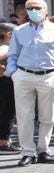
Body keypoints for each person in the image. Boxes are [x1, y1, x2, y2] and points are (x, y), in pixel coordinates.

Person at [4, 0, 54, 166]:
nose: (34, 10)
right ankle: (28, 152)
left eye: (37, 7)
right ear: (26, 11)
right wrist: (13, 73)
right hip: (24, 76)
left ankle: (43, 150)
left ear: (46, 10)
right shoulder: (19, 31)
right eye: (30, 8)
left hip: (49, 76)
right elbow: (12, 55)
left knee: (47, 116)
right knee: (24, 116)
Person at [0, 23, 15, 152]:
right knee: (8, 111)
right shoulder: (5, 47)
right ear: (8, 35)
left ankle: (5, 140)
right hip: (5, 82)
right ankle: (4, 141)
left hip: (6, 81)